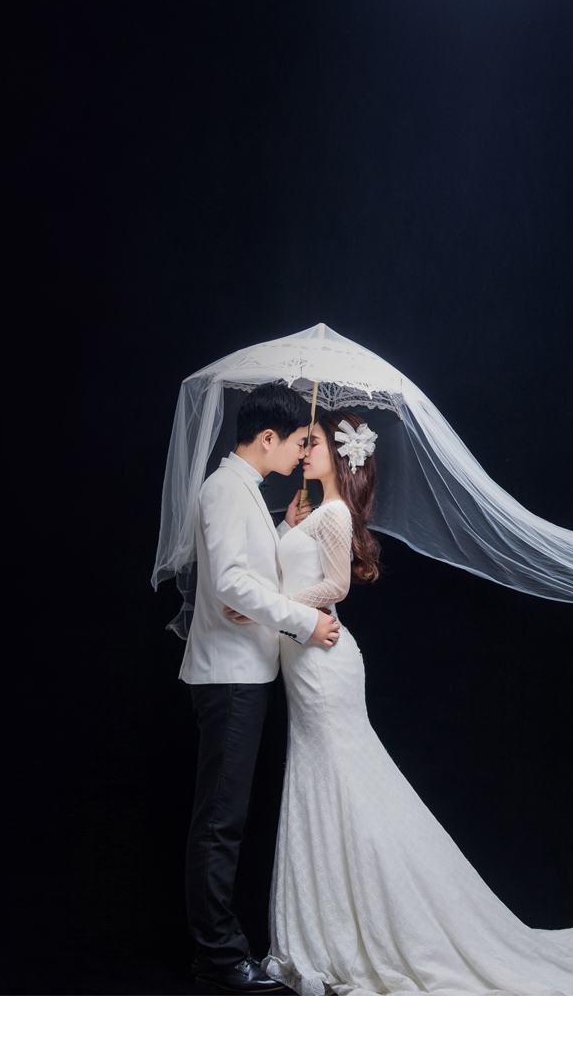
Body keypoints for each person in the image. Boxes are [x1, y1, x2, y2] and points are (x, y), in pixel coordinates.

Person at [226, 408, 573, 995]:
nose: (304, 452)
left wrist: (270, 607)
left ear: (342, 456)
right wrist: (285, 527)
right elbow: (289, 573)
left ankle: (378, 923)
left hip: (323, 663)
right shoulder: (311, 512)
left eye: (315, 443)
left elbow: (336, 586)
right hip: (306, 661)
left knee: (344, 783)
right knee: (326, 780)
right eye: (306, 443)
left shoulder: (336, 512)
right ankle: (331, 921)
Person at [183, 381, 342, 994]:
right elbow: (230, 582)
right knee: (220, 822)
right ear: (268, 437)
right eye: (300, 442)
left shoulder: (245, 489)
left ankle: (217, 951)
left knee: (227, 818)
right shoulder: (225, 489)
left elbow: (246, 568)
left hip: (244, 673)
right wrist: (303, 620)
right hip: (229, 676)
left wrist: (281, 528)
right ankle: (219, 958)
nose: (303, 454)